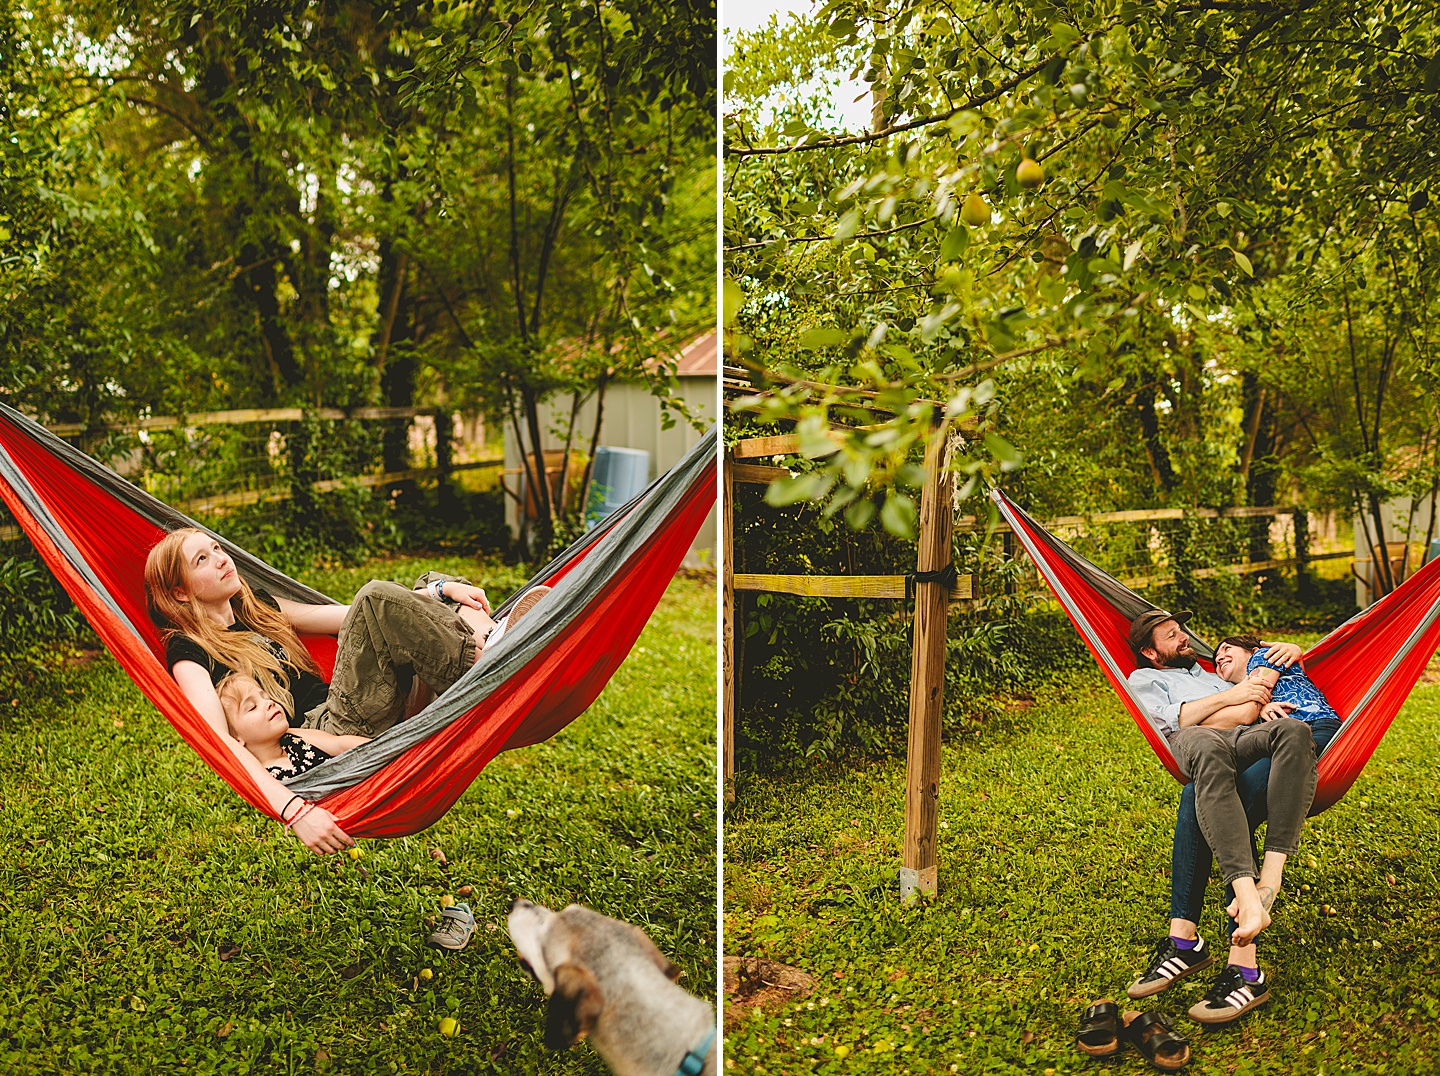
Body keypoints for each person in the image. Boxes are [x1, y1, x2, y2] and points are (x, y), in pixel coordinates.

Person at [144, 527, 549, 855]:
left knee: (427, 585)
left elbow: (345, 617)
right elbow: (218, 743)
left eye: (216, 547)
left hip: (360, 704)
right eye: (202, 559)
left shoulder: (258, 608)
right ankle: (492, 653)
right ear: (180, 592)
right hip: (328, 732)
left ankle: (490, 642)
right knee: (377, 597)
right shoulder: (189, 651)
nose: (221, 558)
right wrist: (294, 811)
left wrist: (440, 594)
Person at [1125, 609, 1322, 1023]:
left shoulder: (1209, 672)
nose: (1185, 639)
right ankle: (1243, 942)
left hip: (1245, 739)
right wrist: (1233, 699)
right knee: (1203, 779)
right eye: (1172, 635)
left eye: (1182, 631)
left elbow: (1249, 710)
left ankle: (1190, 942)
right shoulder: (1143, 679)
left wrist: (1228, 701)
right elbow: (1177, 721)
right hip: (1201, 746)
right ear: (1150, 652)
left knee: (1290, 733)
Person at [217, 672, 368, 781]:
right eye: (252, 707)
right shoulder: (264, 779)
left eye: (266, 697)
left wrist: (381, 749)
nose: (269, 703)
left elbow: (339, 744)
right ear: (236, 739)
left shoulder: (294, 737)